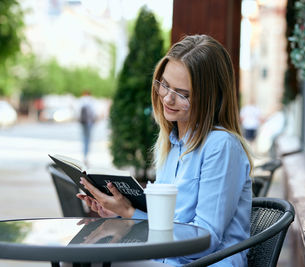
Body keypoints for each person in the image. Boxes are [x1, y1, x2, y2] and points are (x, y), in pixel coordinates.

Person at [77, 35, 253, 266]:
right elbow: (167, 224)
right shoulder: (172, 143)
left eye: (183, 94)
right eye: (164, 85)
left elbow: (205, 239)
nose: (167, 98)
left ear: (210, 97)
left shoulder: (221, 146)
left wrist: (130, 215)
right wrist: (119, 210)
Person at [79, 91, 96, 165]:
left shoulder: (81, 100)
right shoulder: (91, 101)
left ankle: (85, 155)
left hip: (83, 122)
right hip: (89, 123)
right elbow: (95, 112)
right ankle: (86, 155)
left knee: (85, 139)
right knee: (87, 139)